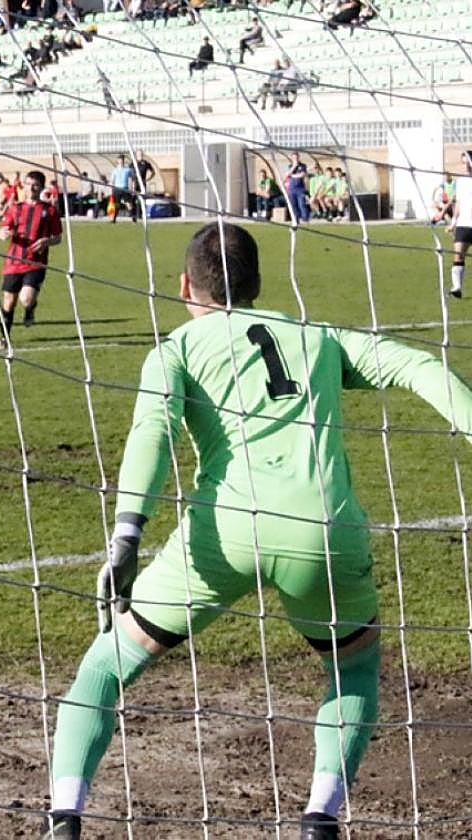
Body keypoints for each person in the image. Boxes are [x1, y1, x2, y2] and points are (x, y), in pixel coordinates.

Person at [42, 222, 472, 840]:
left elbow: (152, 432)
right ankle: (320, 819)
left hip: (223, 537)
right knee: (352, 667)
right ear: (260, 282)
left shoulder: (176, 350)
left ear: (184, 285)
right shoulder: (318, 338)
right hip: (322, 534)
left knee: (105, 668)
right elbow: (419, 366)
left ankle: (65, 816)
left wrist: (128, 534)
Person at [0, 170, 62, 350]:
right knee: (9, 302)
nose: (31, 188)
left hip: (35, 263)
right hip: (13, 262)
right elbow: (3, 229)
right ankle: (4, 338)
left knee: (25, 299)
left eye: (35, 185)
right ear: (23, 186)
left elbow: (58, 238)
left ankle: (30, 308)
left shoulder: (49, 210)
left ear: (41, 187)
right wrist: (2, 233)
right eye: (28, 184)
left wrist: (47, 241)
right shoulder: (15, 208)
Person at [446, 150, 472, 298]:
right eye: (463, 163)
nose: (466, 166)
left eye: (468, 162)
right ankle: (457, 288)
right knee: (458, 256)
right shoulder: (460, 182)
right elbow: (459, 204)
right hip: (464, 224)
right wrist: (453, 223)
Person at [109, 154, 138, 223]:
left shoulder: (128, 170)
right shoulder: (115, 170)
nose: (121, 161)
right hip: (117, 189)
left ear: (124, 161)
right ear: (117, 161)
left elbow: (133, 179)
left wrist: (133, 188)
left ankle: (133, 218)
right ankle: (114, 219)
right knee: (117, 205)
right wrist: (111, 190)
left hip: (125, 189)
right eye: (119, 160)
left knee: (129, 204)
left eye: (122, 160)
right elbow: (112, 181)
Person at [285, 151, 311, 223]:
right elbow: (287, 174)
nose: (295, 159)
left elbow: (302, 175)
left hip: (300, 188)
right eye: (294, 158)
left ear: (299, 158)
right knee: (293, 205)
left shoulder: (303, 166)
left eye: (296, 157)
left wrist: (292, 176)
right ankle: (296, 218)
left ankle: (305, 218)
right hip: (292, 189)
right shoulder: (290, 166)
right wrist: (294, 166)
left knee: (302, 204)